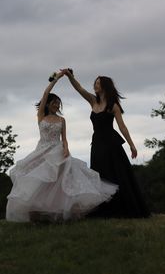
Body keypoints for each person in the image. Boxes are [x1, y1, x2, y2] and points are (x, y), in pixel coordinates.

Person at [6, 71, 118, 222]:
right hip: (42, 151)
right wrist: (56, 79)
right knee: (39, 182)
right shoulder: (41, 116)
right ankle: (36, 213)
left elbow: (64, 139)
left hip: (58, 151)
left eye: (58, 103)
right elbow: (46, 92)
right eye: (54, 103)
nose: (57, 105)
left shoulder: (62, 120)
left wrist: (66, 149)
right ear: (48, 104)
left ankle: (59, 212)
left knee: (60, 183)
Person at [62, 69, 150, 218]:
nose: (95, 86)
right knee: (99, 175)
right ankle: (103, 210)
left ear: (105, 86)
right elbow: (79, 88)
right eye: (95, 83)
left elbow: (122, 126)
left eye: (98, 83)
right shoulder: (92, 101)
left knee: (116, 175)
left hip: (111, 144)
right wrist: (70, 76)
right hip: (97, 143)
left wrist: (132, 145)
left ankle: (121, 208)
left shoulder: (113, 105)